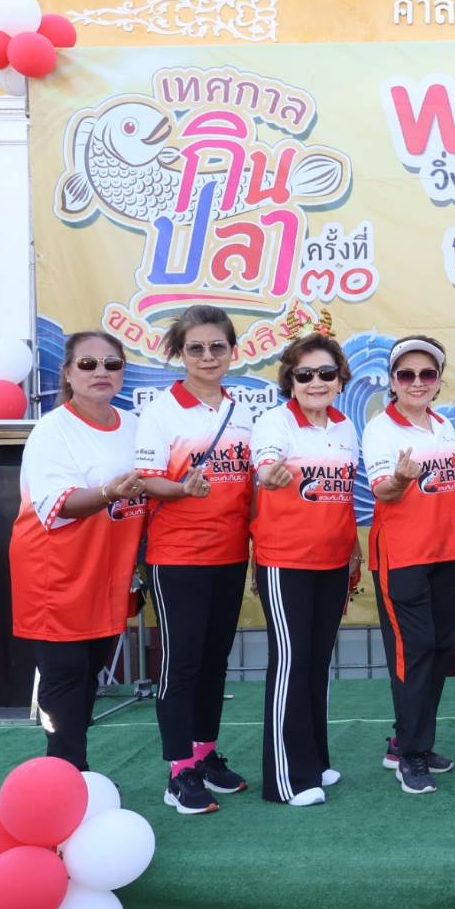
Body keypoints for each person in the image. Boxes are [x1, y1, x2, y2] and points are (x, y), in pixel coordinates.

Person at [10, 332, 148, 770]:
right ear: (68, 373)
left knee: (90, 676)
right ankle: (65, 776)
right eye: (88, 364)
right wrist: (110, 492)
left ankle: (76, 774)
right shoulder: (53, 430)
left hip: (107, 575)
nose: (100, 372)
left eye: (112, 364)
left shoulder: (135, 426)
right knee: (65, 676)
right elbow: (61, 503)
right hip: (56, 574)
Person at [136, 304, 254, 815]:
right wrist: (182, 489)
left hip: (230, 552)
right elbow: (146, 479)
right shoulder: (162, 411)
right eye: (196, 348)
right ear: (180, 354)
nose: (208, 356)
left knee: (214, 661)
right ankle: (178, 770)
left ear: (233, 351)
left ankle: (205, 756)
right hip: (178, 554)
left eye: (217, 346)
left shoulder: (241, 410)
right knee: (181, 664)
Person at [362, 334, 455, 795]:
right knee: (413, 653)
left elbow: (454, 492)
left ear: (438, 380)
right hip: (403, 558)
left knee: (438, 649)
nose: (417, 382)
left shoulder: (444, 425)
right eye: (406, 374)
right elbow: (383, 491)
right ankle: (408, 754)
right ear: (392, 381)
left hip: (449, 554)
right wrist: (399, 478)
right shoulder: (381, 429)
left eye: (427, 373)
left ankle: (413, 740)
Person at [250, 326, 360, 807]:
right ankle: (285, 780)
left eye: (326, 373)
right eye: (305, 374)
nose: (316, 382)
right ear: (290, 381)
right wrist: (271, 474)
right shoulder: (275, 423)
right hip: (285, 560)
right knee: (291, 663)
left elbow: (343, 497)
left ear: (341, 379)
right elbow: (266, 465)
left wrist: (353, 549)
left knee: (317, 662)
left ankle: (313, 761)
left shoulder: (345, 427)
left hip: (333, 561)